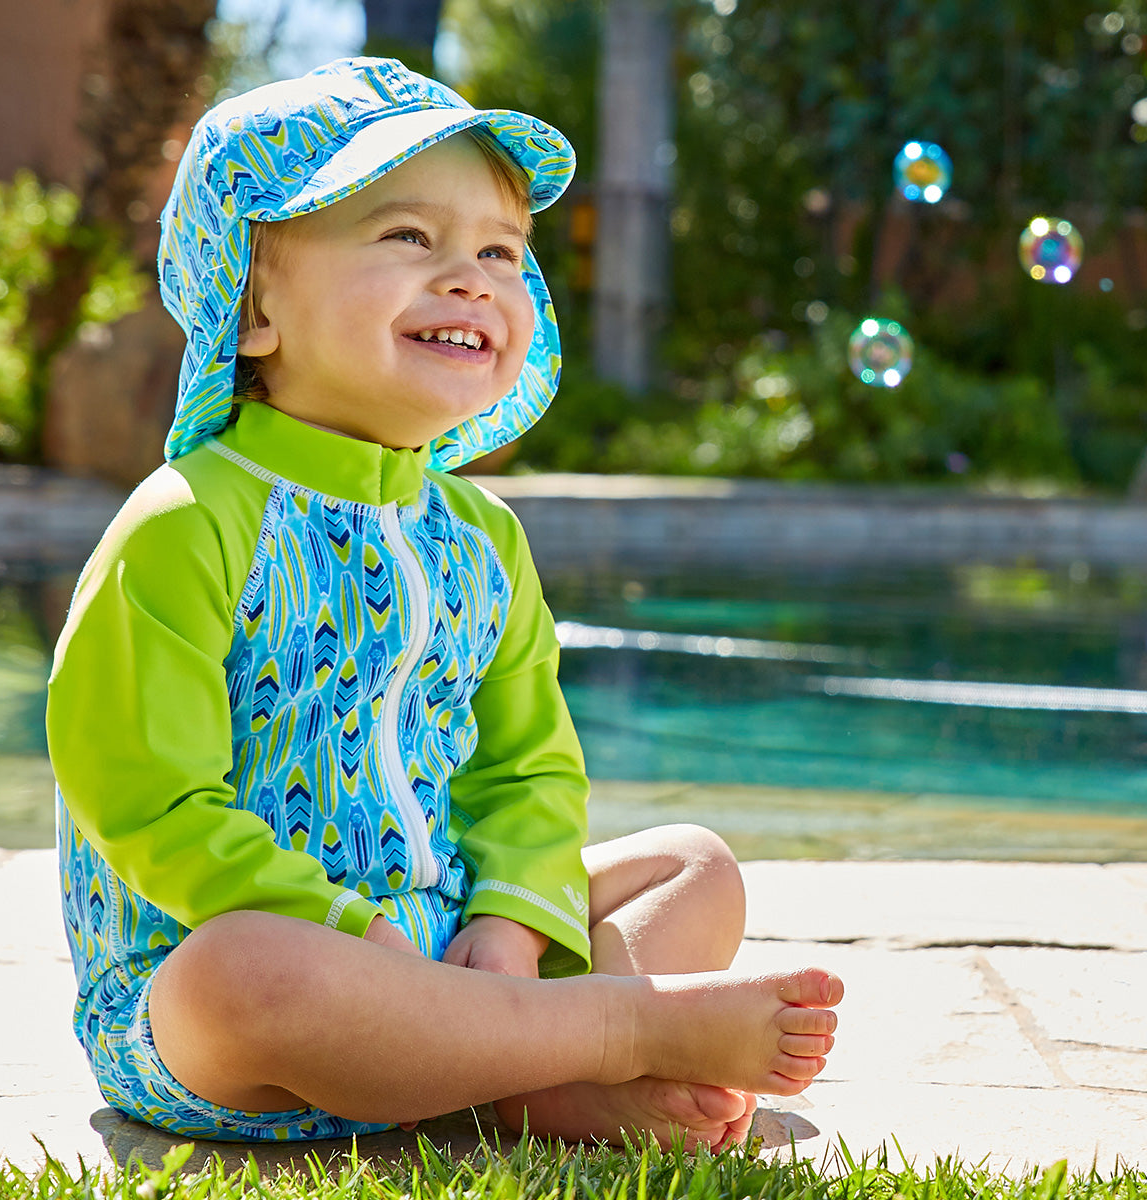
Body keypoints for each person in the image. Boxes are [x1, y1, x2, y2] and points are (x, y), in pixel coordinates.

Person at [47, 57, 842, 1154]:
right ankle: (611, 1036)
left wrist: (511, 923)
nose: (470, 279)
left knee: (690, 868)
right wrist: (343, 925)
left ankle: (513, 1072)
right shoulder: (188, 521)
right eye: (410, 237)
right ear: (255, 304)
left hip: (456, 951)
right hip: (233, 997)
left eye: (500, 252)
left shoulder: (482, 539)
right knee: (251, 972)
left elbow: (528, 770)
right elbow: (146, 800)